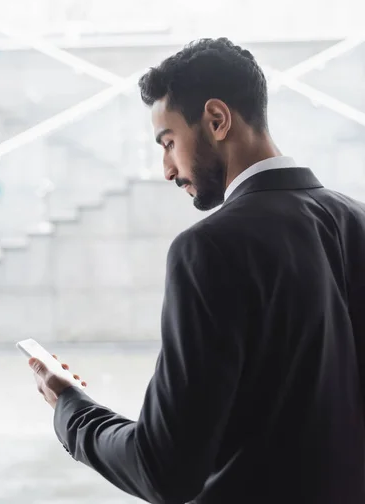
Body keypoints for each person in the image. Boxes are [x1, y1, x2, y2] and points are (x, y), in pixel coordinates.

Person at [30, 38, 365, 504]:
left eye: (168, 143)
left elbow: (164, 469)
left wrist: (71, 409)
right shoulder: (358, 220)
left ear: (216, 119)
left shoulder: (209, 248)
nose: (168, 169)